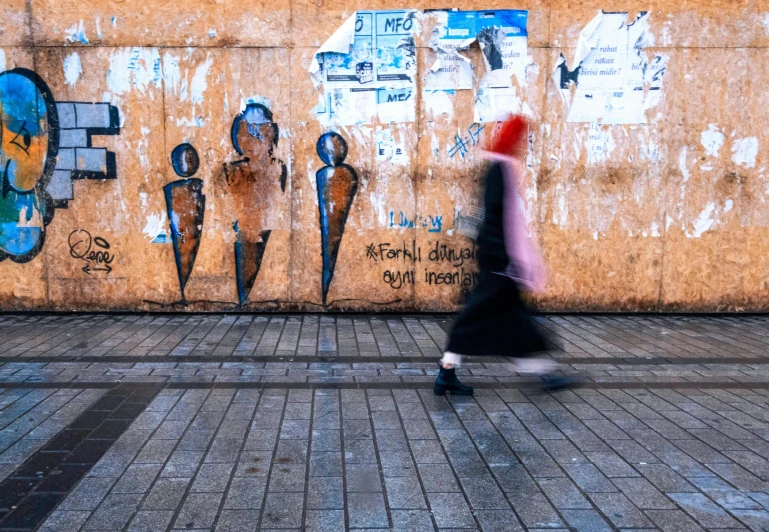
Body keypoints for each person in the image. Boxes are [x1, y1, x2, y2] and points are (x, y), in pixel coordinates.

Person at [434, 115, 575, 396]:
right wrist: (505, 259)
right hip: (499, 262)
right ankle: (447, 374)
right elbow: (496, 216)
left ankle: (543, 373)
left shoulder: (500, 166)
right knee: (479, 318)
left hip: (499, 260)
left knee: (515, 321)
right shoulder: (501, 168)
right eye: (523, 137)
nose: (525, 143)